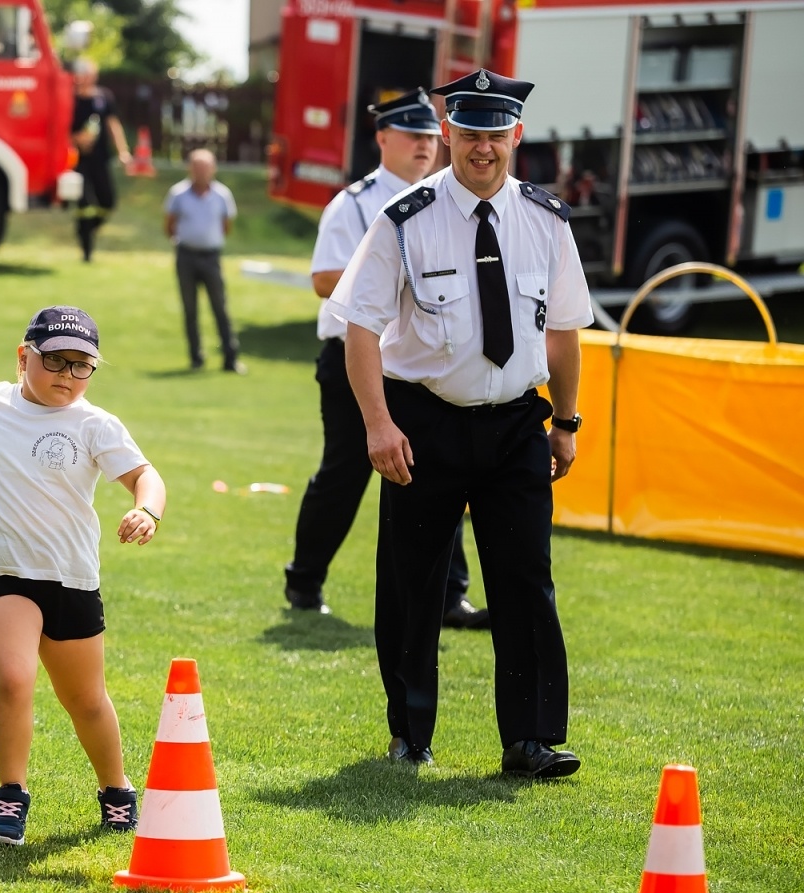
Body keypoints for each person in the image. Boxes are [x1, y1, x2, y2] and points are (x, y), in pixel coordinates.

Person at [325, 69, 591, 777]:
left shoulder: (546, 219)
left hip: (515, 427)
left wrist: (565, 422)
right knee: (412, 583)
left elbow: (563, 332)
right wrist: (378, 426)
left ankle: (531, 740)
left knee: (525, 580)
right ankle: (411, 735)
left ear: (516, 136)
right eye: (469, 133)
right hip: (423, 424)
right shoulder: (403, 218)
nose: (483, 148)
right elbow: (359, 330)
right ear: (448, 133)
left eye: (495, 134)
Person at [0, 306, 163, 845]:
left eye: (83, 365)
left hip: (70, 578)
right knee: (13, 678)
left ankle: (116, 790)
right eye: (55, 359)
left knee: (85, 699)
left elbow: (145, 476)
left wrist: (146, 510)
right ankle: (10, 795)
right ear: (23, 357)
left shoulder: (95, 424)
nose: (68, 375)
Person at [286, 90, 490, 629]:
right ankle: (304, 582)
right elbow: (324, 279)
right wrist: (387, 275)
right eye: (413, 136)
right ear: (383, 139)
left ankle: (450, 596)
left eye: (431, 136)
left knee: (439, 475)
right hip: (356, 357)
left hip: (420, 363)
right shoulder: (353, 204)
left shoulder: (453, 202)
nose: (425, 146)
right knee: (345, 474)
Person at [164, 149, 240, 374]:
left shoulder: (222, 195)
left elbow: (226, 225)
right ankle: (196, 358)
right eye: (197, 167)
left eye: (205, 167)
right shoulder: (178, 194)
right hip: (186, 256)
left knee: (220, 306)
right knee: (190, 309)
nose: (201, 172)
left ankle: (230, 358)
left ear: (213, 169)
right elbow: (169, 224)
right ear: (190, 169)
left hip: (211, 256)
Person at [69, 58, 131, 262]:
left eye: (88, 73)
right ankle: (87, 251)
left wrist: (123, 152)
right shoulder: (69, 98)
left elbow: (113, 125)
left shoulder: (104, 97)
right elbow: (58, 128)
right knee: (85, 204)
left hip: (100, 159)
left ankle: (86, 230)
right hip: (76, 161)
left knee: (107, 201)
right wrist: (75, 139)